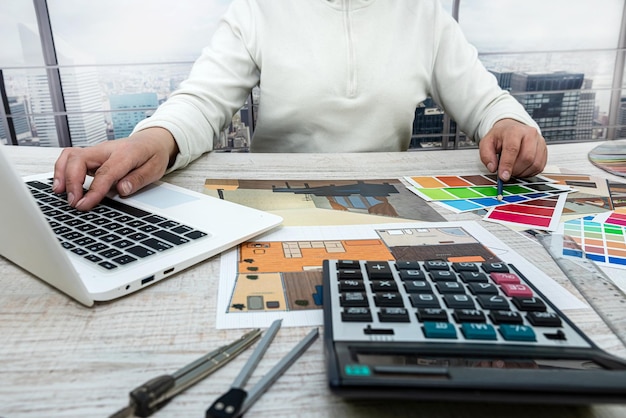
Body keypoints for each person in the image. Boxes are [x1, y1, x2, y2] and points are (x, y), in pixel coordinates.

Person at [53, 0, 547, 211]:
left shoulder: (422, 12)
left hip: (390, 203)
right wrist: (155, 139)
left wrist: (510, 123)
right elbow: (202, 102)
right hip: (274, 201)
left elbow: (486, 102)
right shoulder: (259, 7)